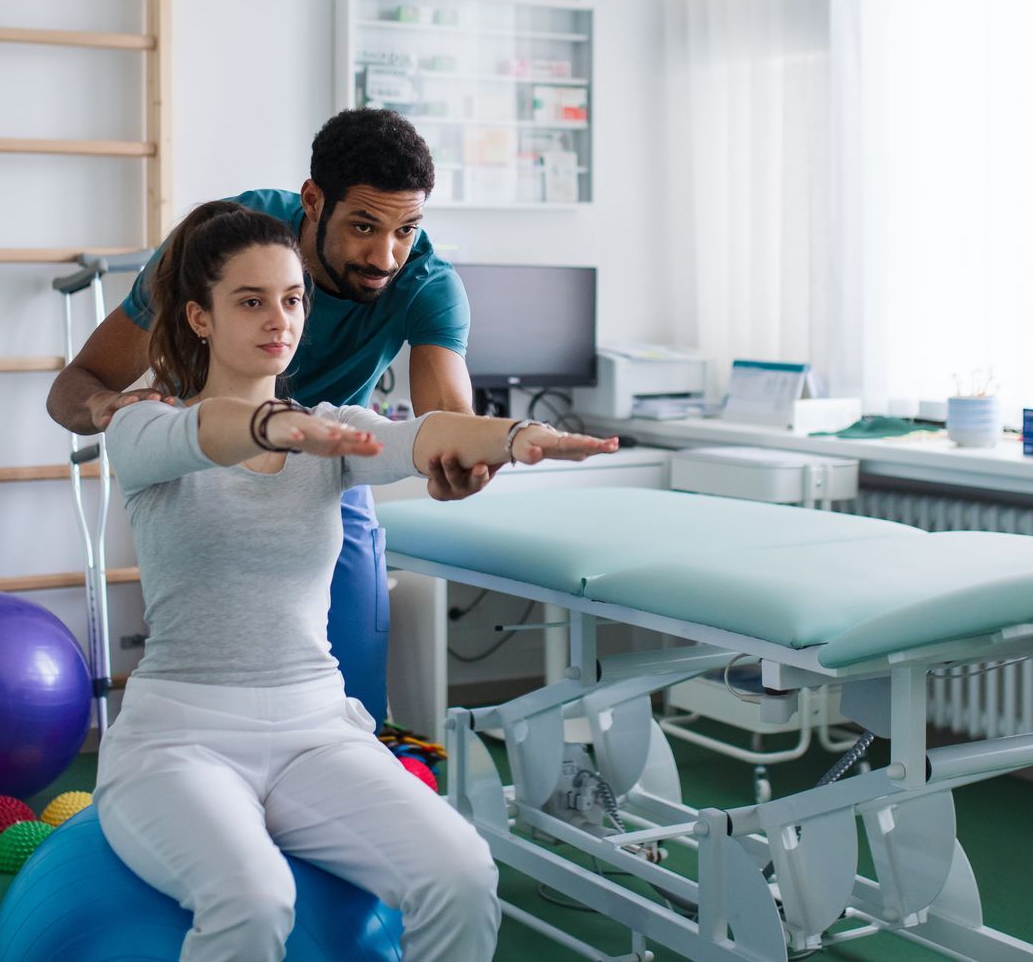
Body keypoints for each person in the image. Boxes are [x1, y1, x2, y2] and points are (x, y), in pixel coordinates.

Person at [98, 200, 616, 961]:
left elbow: (423, 435)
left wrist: (516, 438)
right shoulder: (143, 429)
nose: (280, 318)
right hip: (181, 737)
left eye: (292, 298)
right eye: (250, 301)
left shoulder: (331, 431)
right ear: (200, 318)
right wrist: (273, 424)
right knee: (252, 901)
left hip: (314, 729)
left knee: (464, 873)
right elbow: (206, 434)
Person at [48, 109, 487, 724]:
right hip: (198, 467)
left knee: (353, 701)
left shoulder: (426, 284)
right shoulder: (222, 244)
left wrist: (459, 461)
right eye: (364, 226)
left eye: (405, 230)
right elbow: (76, 385)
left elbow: (449, 420)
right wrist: (107, 409)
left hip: (323, 470)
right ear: (313, 200)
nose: (385, 256)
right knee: (217, 690)